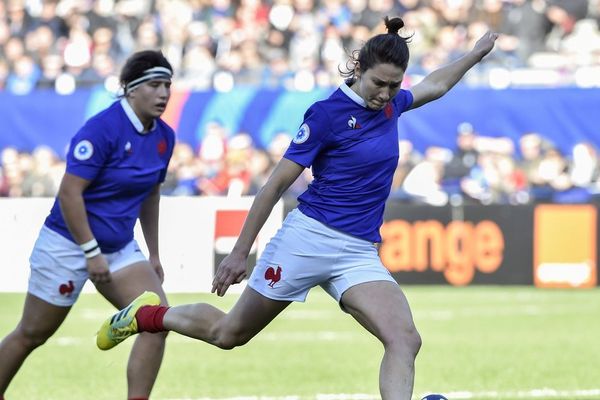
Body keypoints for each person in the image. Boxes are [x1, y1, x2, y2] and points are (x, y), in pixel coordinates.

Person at [97, 18, 498, 400]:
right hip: (308, 240)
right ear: (359, 70)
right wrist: (240, 252)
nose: (385, 94)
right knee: (228, 333)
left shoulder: (392, 105)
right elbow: (274, 185)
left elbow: (436, 84)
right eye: (378, 84)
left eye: (394, 87)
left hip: (358, 251)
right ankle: (147, 316)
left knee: (405, 339)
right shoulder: (326, 115)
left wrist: (475, 54)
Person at [0, 50, 175, 400]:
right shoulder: (101, 130)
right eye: (155, 85)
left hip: (119, 247)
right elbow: (69, 194)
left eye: (168, 85)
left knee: (157, 323)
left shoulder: (164, 138)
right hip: (67, 244)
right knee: (33, 333)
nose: (164, 94)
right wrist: (90, 251)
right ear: (130, 89)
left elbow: (150, 196)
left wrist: (154, 253)